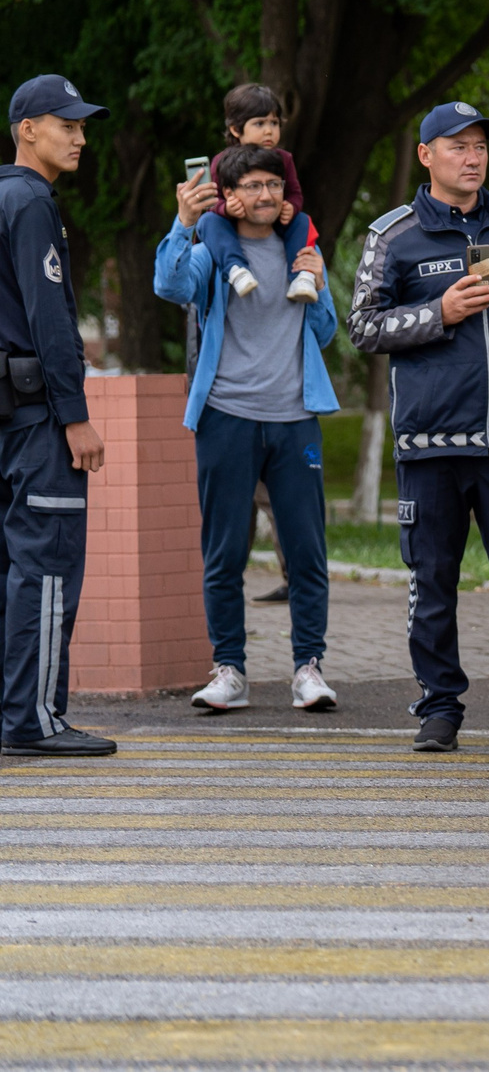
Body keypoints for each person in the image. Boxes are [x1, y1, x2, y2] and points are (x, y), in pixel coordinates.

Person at [347, 102, 489, 755]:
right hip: (429, 449)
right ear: (427, 155)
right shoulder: (393, 236)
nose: (472, 156)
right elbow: (363, 326)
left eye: (480, 145)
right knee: (432, 588)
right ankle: (439, 708)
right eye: (457, 146)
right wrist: (438, 312)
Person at [155, 145, 341, 715]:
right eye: (253, 186)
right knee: (225, 552)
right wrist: (182, 223)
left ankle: (309, 669)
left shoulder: (300, 246)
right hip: (226, 415)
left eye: (274, 185)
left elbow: (328, 331)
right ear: (230, 195)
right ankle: (229, 669)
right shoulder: (213, 247)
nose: (266, 195)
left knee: (307, 553)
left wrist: (320, 279)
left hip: (294, 418)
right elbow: (171, 286)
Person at [0, 76, 115, 757]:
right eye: (63, 124)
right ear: (26, 129)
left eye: (81, 126)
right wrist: (75, 416)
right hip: (37, 417)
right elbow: (51, 318)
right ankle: (34, 720)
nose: (78, 136)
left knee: (9, 570)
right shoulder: (33, 201)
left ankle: (12, 712)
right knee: (43, 566)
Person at [190, 84, 320, 306]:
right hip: (232, 228)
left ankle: (302, 276)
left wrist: (291, 206)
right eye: (260, 123)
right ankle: (237, 270)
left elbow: (295, 193)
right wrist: (226, 208)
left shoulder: (283, 159)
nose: (269, 131)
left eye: (274, 123)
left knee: (302, 221)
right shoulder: (222, 162)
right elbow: (212, 203)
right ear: (235, 129)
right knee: (208, 221)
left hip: (272, 222)